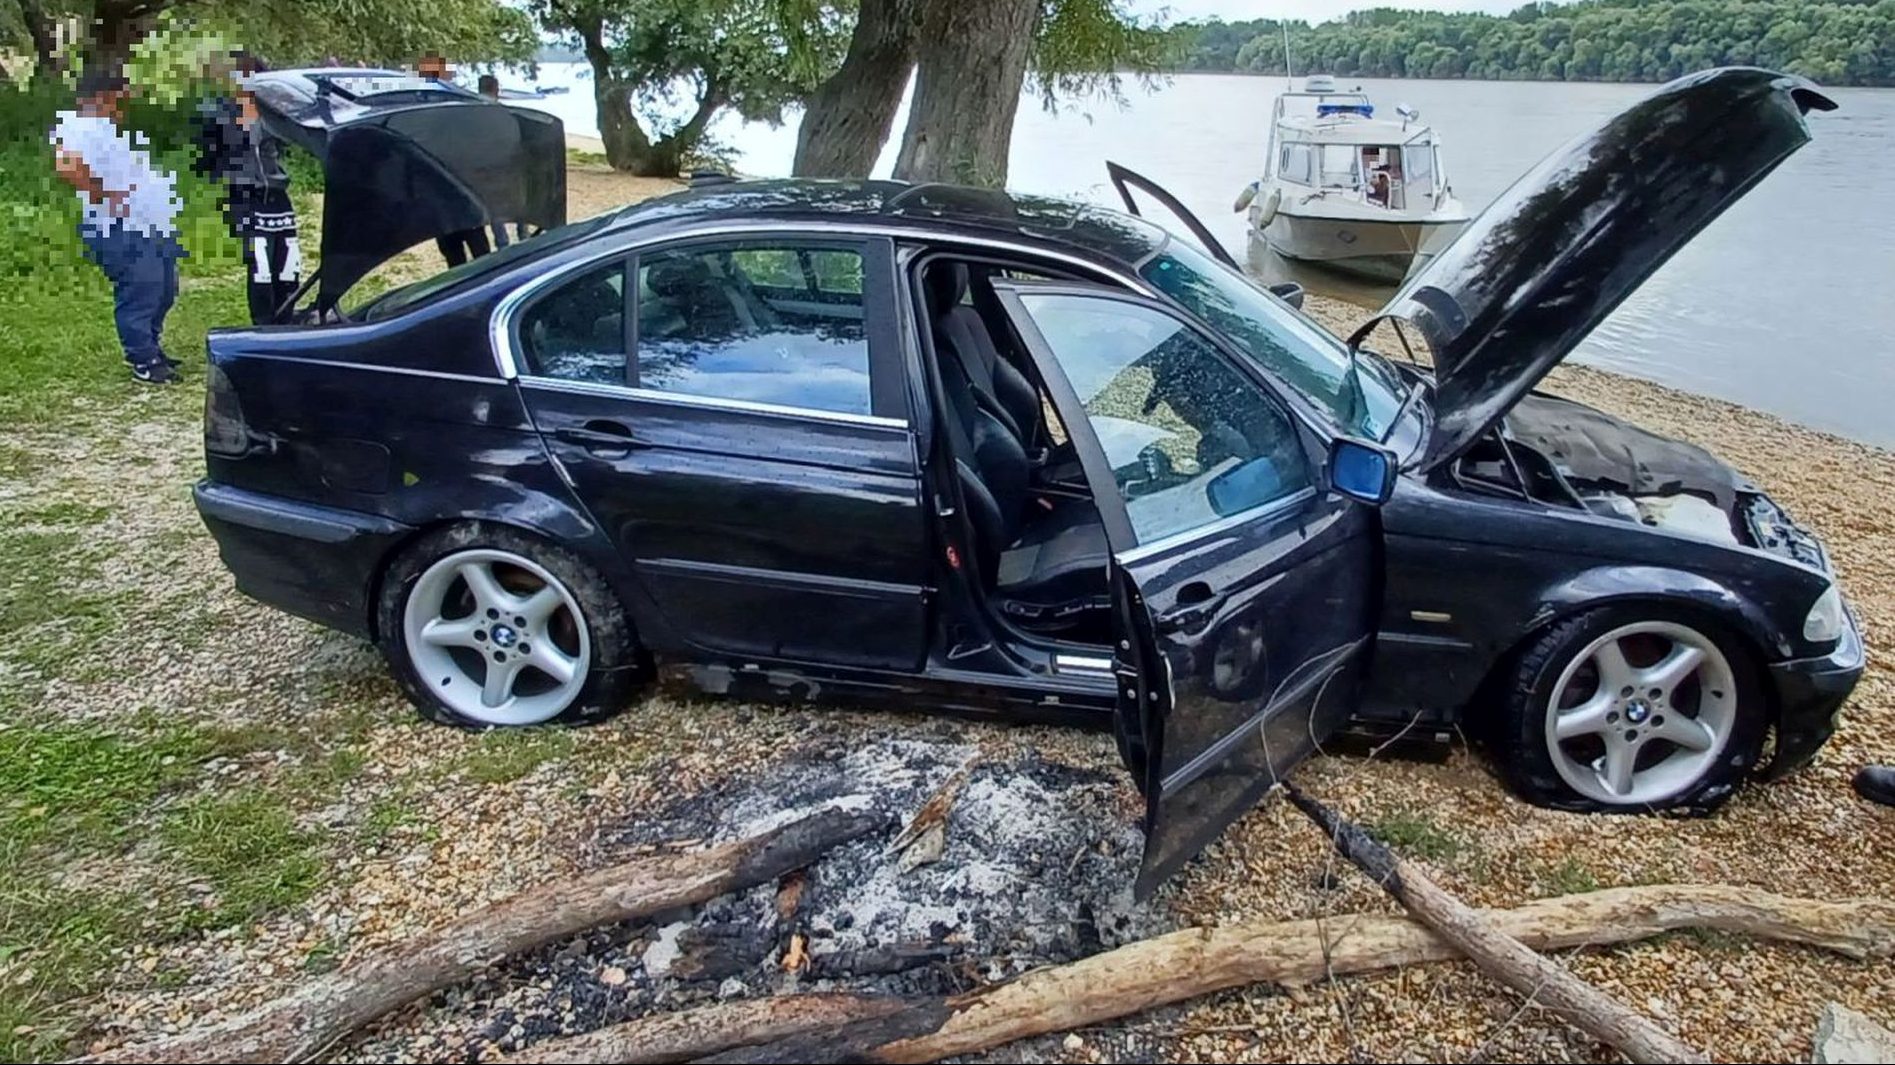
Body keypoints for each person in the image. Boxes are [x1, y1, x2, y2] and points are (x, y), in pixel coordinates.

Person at [51, 70, 184, 384]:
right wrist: (101, 194)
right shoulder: (77, 126)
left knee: (165, 287)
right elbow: (67, 164)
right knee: (142, 287)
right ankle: (142, 357)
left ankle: (151, 343)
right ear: (101, 97)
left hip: (146, 223)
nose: (124, 105)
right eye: (119, 98)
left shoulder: (107, 130)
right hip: (116, 226)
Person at [193, 51, 301, 325]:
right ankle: (264, 324)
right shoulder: (220, 113)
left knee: (288, 261)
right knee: (261, 265)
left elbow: (293, 138)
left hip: (277, 195)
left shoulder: (272, 112)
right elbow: (206, 158)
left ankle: (287, 318)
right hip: (244, 196)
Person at [418, 53, 490, 267]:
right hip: (458, 191)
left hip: (450, 193)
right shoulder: (456, 107)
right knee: (475, 251)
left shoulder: (424, 110)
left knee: (459, 253)